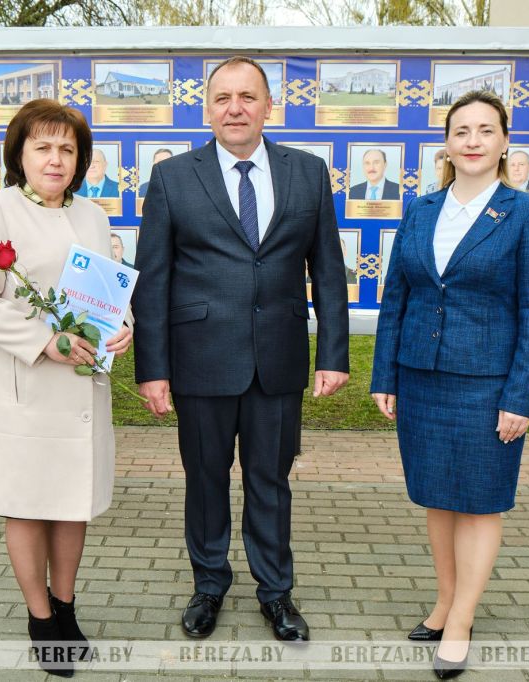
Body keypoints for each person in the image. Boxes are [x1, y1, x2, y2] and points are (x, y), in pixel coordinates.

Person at [132, 56, 349, 643]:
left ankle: (276, 593)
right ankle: (209, 585)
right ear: (206, 108)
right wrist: (152, 369)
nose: (235, 108)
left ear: (268, 106)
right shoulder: (174, 177)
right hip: (199, 360)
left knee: (270, 481)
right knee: (204, 479)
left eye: (248, 97)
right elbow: (152, 280)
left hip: (277, 360)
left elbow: (327, 271)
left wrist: (333, 353)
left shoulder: (307, 172)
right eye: (223, 97)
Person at [370, 90, 529, 680]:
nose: (473, 141)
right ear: (446, 144)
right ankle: (444, 601)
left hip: (487, 385)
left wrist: (519, 396)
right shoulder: (422, 210)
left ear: (505, 141)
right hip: (421, 378)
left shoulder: (526, 214)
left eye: (485, 130)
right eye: (461, 131)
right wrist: (386, 374)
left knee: (478, 502)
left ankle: (461, 621)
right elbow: (397, 297)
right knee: (436, 496)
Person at [0, 99, 133, 678]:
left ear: (80, 160)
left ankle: (66, 603)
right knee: (28, 503)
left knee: (72, 501)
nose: (55, 160)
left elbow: (107, 291)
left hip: (80, 387)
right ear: (20, 153)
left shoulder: (94, 215)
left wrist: (121, 327)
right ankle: (39, 617)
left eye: (67, 149)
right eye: (43, 147)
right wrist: (42, 340)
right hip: (24, 381)